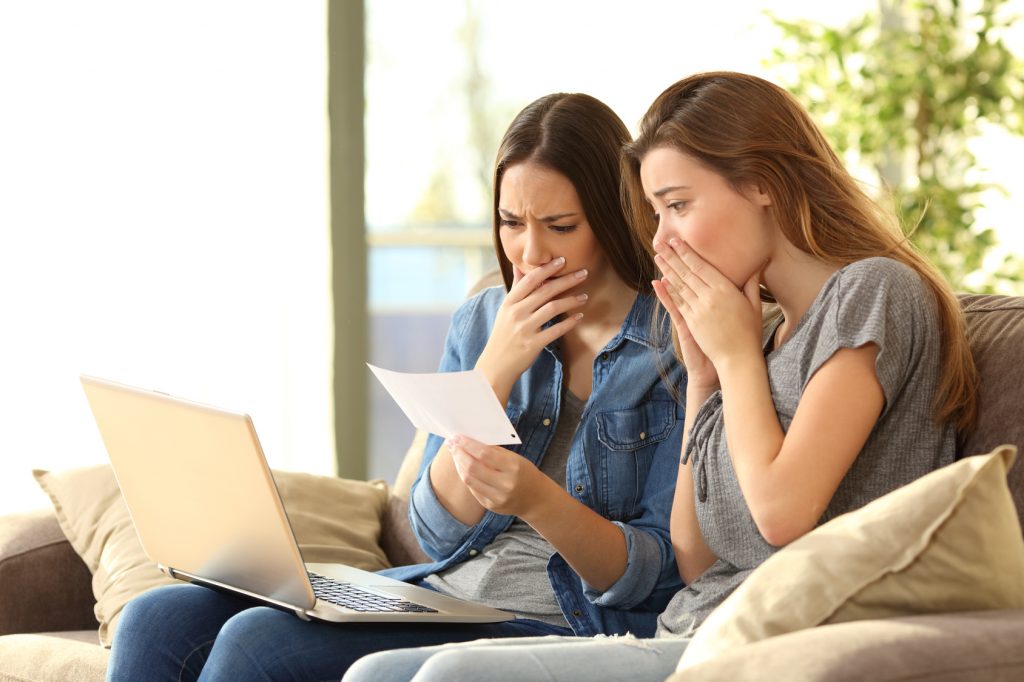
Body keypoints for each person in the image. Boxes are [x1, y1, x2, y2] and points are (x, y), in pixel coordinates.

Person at [341, 71, 979, 682]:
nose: (662, 236)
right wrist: (705, 376)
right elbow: (699, 559)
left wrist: (732, 360)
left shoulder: (874, 293)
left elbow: (782, 515)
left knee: (452, 675)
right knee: (373, 673)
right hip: (696, 626)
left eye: (677, 206)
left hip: (780, 638)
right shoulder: (773, 337)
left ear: (762, 184)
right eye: (655, 211)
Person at [105, 92, 686, 681]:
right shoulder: (484, 321)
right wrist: (495, 368)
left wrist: (540, 501)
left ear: (613, 217)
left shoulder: (672, 350)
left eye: (560, 226)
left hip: (557, 622)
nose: (530, 253)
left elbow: (654, 576)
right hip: (441, 596)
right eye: (511, 223)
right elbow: (435, 534)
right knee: (155, 618)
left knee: (260, 644)